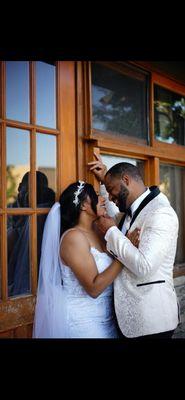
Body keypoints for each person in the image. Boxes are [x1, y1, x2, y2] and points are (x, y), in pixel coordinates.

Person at [88, 153, 180, 339]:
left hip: (152, 323)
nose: (111, 198)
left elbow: (144, 267)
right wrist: (106, 181)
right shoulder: (132, 207)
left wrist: (112, 232)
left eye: (112, 190)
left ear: (126, 180)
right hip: (130, 323)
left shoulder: (161, 213)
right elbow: (116, 214)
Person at [33, 180, 139, 338]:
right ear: (83, 205)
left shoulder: (99, 230)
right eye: (96, 196)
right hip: (83, 323)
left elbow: (121, 215)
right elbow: (94, 288)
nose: (103, 199)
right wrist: (126, 253)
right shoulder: (73, 238)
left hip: (108, 320)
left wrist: (104, 177)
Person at [7, 171, 55, 296]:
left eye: (36, 191)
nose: (29, 196)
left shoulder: (44, 213)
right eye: (27, 190)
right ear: (19, 188)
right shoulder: (10, 210)